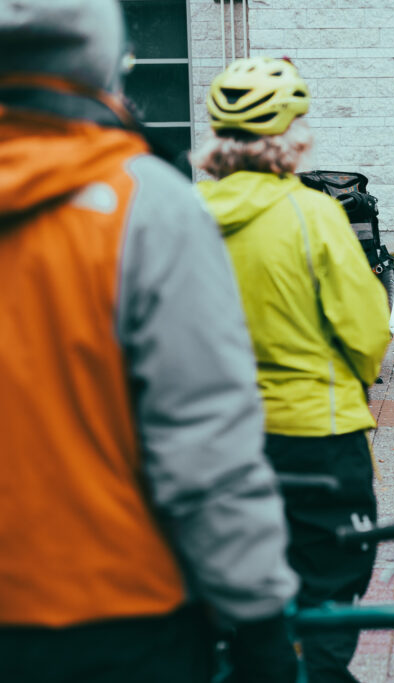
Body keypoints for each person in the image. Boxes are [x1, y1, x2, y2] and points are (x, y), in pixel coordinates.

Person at [0, 2, 299, 682]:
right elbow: (203, 441)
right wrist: (258, 615)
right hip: (116, 615)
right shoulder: (147, 207)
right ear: (105, 61)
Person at [193, 56, 392, 683]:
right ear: (290, 136)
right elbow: (366, 333)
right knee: (330, 583)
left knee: (236, 589)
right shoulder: (313, 216)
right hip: (317, 440)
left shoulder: (183, 217)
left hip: (218, 443)